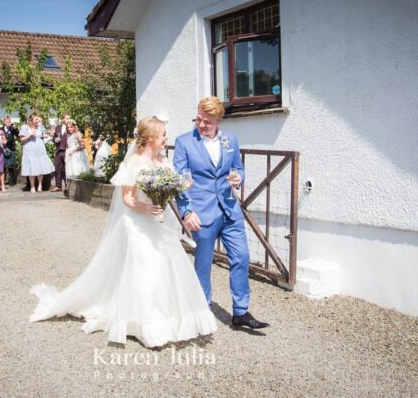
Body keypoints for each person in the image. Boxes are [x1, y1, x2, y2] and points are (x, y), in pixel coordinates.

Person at [30, 117, 217, 347]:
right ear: (150, 138)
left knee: (165, 267)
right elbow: (128, 199)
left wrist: (178, 188)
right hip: (138, 222)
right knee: (146, 269)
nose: (166, 138)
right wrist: (147, 206)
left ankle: (167, 319)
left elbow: (172, 187)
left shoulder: (163, 161)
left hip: (159, 222)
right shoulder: (135, 164)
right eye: (163, 134)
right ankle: (146, 324)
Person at [174, 96, 269, 330]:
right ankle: (202, 311)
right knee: (203, 264)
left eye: (207, 121)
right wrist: (186, 212)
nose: (201, 124)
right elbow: (178, 180)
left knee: (242, 258)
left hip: (229, 210)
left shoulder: (230, 140)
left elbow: (238, 167)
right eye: (198, 119)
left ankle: (240, 312)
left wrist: (239, 177)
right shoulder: (184, 142)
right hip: (201, 213)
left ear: (218, 120)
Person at [20, 113, 54, 193]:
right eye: (36, 119)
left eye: (38, 119)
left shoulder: (40, 127)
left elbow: (43, 134)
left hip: (39, 149)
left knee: (40, 167)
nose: (38, 121)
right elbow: (21, 139)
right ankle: (32, 186)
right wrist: (30, 134)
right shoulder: (25, 127)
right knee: (31, 168)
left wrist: (47, 135)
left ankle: (40, 185)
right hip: (29, 149)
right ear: (31, 120)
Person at [51, 113, 71, 191]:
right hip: (59, 150)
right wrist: (54, 139)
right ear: (62, 119)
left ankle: (67, 185)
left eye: (69, 118)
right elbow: (54, 137)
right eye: (66, 118)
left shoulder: (71, 127)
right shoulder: (58, 127)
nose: (67, 120)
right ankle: (58, 186)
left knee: (67, 169)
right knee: (58, 168)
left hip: (67, 150)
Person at [1, 116, 20, 187]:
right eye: (7, 122)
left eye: (9, 122)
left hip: (11, 148)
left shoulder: (12, 129)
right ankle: (3, 180)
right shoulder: (1, 129)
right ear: (4, 122)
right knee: (3, 165)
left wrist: (14, 128)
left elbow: (18, 135)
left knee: (11, 165)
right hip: (3, 148)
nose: (8, 123)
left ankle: (11, 181)